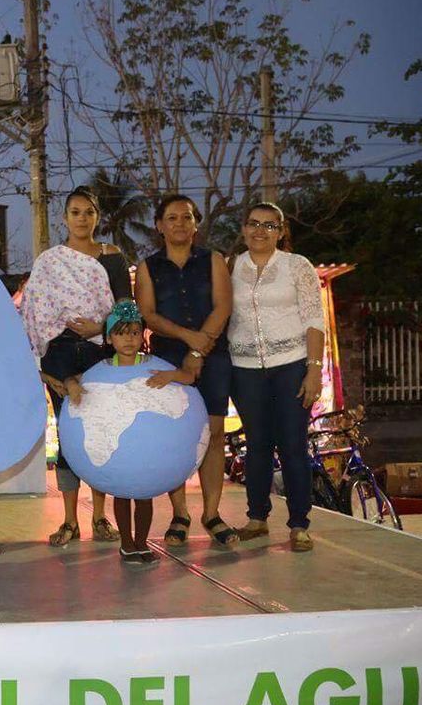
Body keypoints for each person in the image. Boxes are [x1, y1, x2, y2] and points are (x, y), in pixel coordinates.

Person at [20, 186, 127, 547]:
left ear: (98, 217)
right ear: (64, 218)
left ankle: (100, 517)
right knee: (69, 435)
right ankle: (69, 521)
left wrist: (102, 327)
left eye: (89, 212)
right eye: (75, 212)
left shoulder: (112, 257)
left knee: (98, 433)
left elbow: (125, 309)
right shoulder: (50, 262)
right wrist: (41, 361)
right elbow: (34, 311)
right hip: (61, 353)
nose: (82, 219)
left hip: (100, 353)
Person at [135, 195, 237, 549]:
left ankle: (212, 513)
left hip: (214, 353)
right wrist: (186, 340)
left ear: (196, 224)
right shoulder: (148, 268)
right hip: (168, 357)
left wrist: (199, 347)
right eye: (172, 218)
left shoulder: (214, 261)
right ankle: (180, 513)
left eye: (187, 217)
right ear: (159, 225)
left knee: (214, 432)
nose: (179, 223)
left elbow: (223, 306)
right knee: (176, 435)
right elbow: (148, 314)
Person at [228, 202, 325, 553]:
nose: (260, 231)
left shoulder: (297, 266)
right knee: (256, 445)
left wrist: (314, 370)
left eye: (270, 226)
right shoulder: (231, 267)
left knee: (293, 445)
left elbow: (315, 319)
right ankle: (257, 518)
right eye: (253, 224)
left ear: (281, 232)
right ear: (243, 228)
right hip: (245, 370)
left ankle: (299, 524)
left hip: (291, 366)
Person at [67, 301, 196, 563]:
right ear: (110, 337)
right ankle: (127, 543)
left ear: (142, 336)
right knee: (123, 493)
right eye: (121, 333)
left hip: (145, 453)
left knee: (145, 495)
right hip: (120, 453)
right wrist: (71, 385)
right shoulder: (102, 368)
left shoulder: (152, 364)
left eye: (135, 332)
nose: (129, 338)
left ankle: (141, 542)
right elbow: (74, 379)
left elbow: (189, 378)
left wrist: (170, 376)